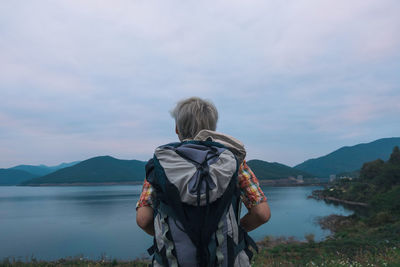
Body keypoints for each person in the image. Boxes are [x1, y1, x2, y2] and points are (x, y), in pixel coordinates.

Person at [136, 97, 271, 266]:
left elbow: (143, 219)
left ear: (177, 129)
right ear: (212, 128)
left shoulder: (160, 166)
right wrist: (235, 232)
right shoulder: (233, 162)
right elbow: (262, 213)